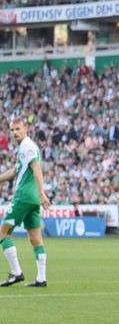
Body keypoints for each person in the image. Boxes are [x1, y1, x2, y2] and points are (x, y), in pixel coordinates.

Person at [0, 117, 51, 288]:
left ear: (26, 129)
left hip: (23, 196)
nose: (14, 133)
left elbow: (36, 168)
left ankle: (16, 273)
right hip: (33, 200)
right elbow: (15, 171)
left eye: (18, 129)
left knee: (3, 233)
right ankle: (41, 279)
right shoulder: (27, 147)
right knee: (36, 239)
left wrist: (42, 192)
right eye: (12, 130)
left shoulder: (27, 146)